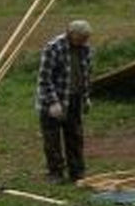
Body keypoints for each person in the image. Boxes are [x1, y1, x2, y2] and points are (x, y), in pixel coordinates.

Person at [35, 19, 93, 182]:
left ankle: (77, 172)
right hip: (52, 100)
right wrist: (53, 102)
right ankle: (55, 173)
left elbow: (86, 75)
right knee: (52, 139)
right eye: (81, 38)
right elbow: (44, 79)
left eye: (86, 38)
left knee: (75, 137)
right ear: (70, 34)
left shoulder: (86, 49)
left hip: (74, 98)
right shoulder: (53, 48)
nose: (84, 42)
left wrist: (86, 97)